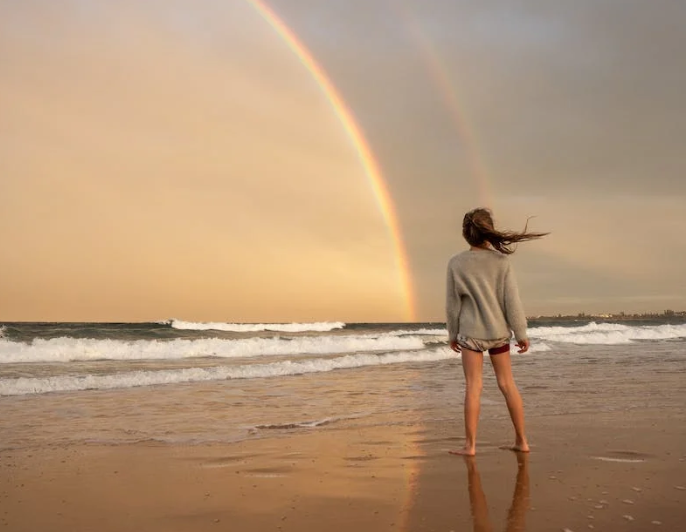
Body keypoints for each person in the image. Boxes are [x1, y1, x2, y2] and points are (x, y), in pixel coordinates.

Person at [446, 208, 548, 456]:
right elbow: (511, 302)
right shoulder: (502, 262)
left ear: (465, 234)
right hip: (499, 333)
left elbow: (453, 305)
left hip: (470, 335)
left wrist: (452, 334)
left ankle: (470, 446)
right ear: (489, 232)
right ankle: (522, 441)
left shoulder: (456, 263)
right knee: (507, 384)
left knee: (473, 387)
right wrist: (521, 333)